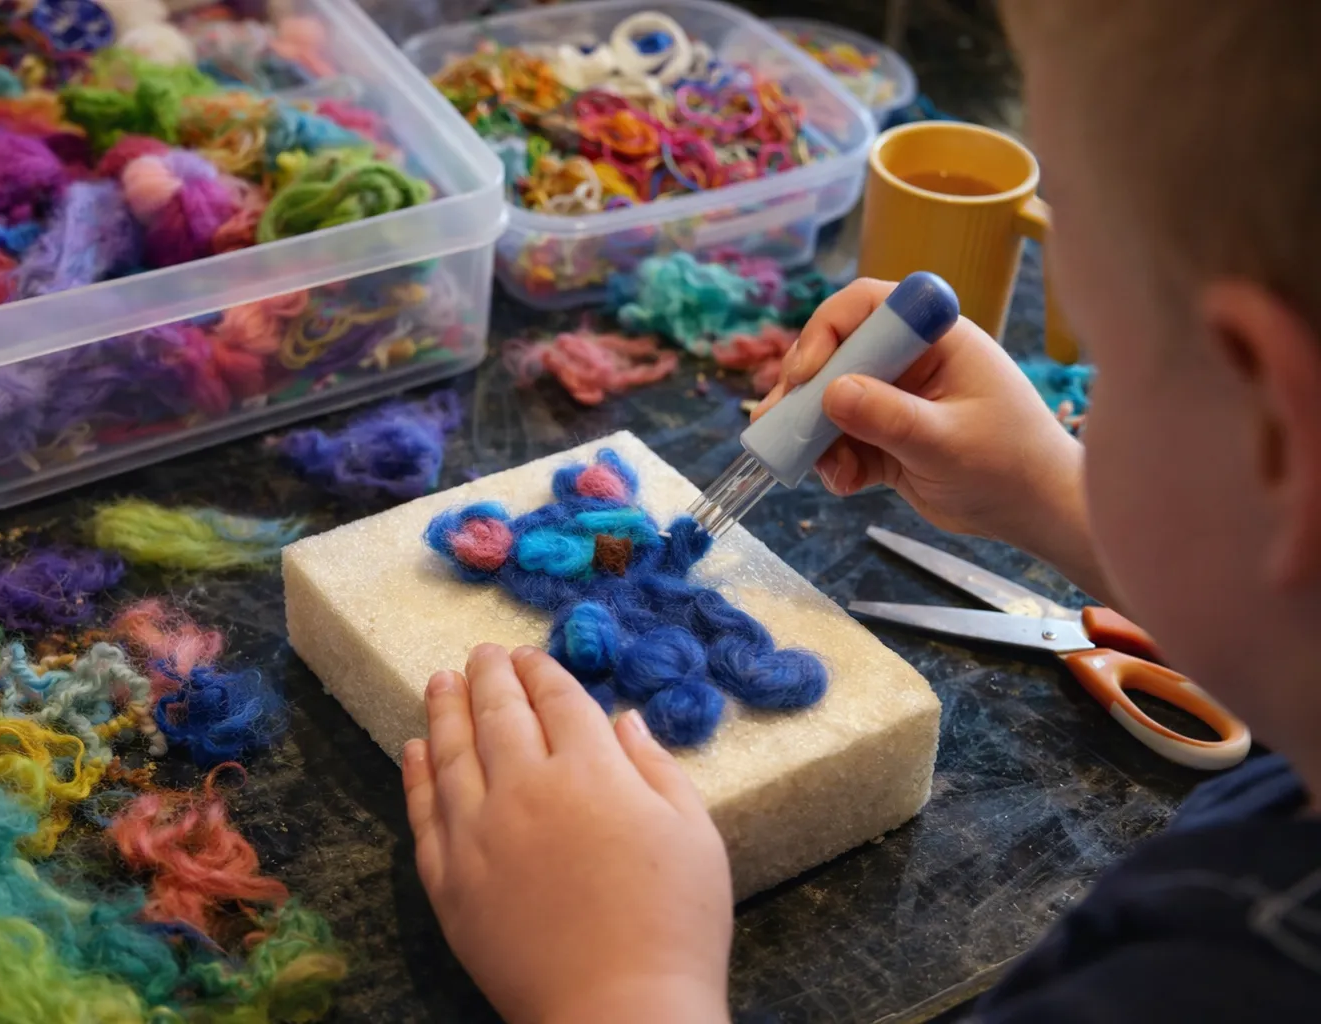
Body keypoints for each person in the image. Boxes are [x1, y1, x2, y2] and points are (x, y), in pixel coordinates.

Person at [398, 2, 1321, 1020]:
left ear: (1279, 433)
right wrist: (1052, 494)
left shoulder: (1199, 988)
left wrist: (620, 981)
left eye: (1102, 358)